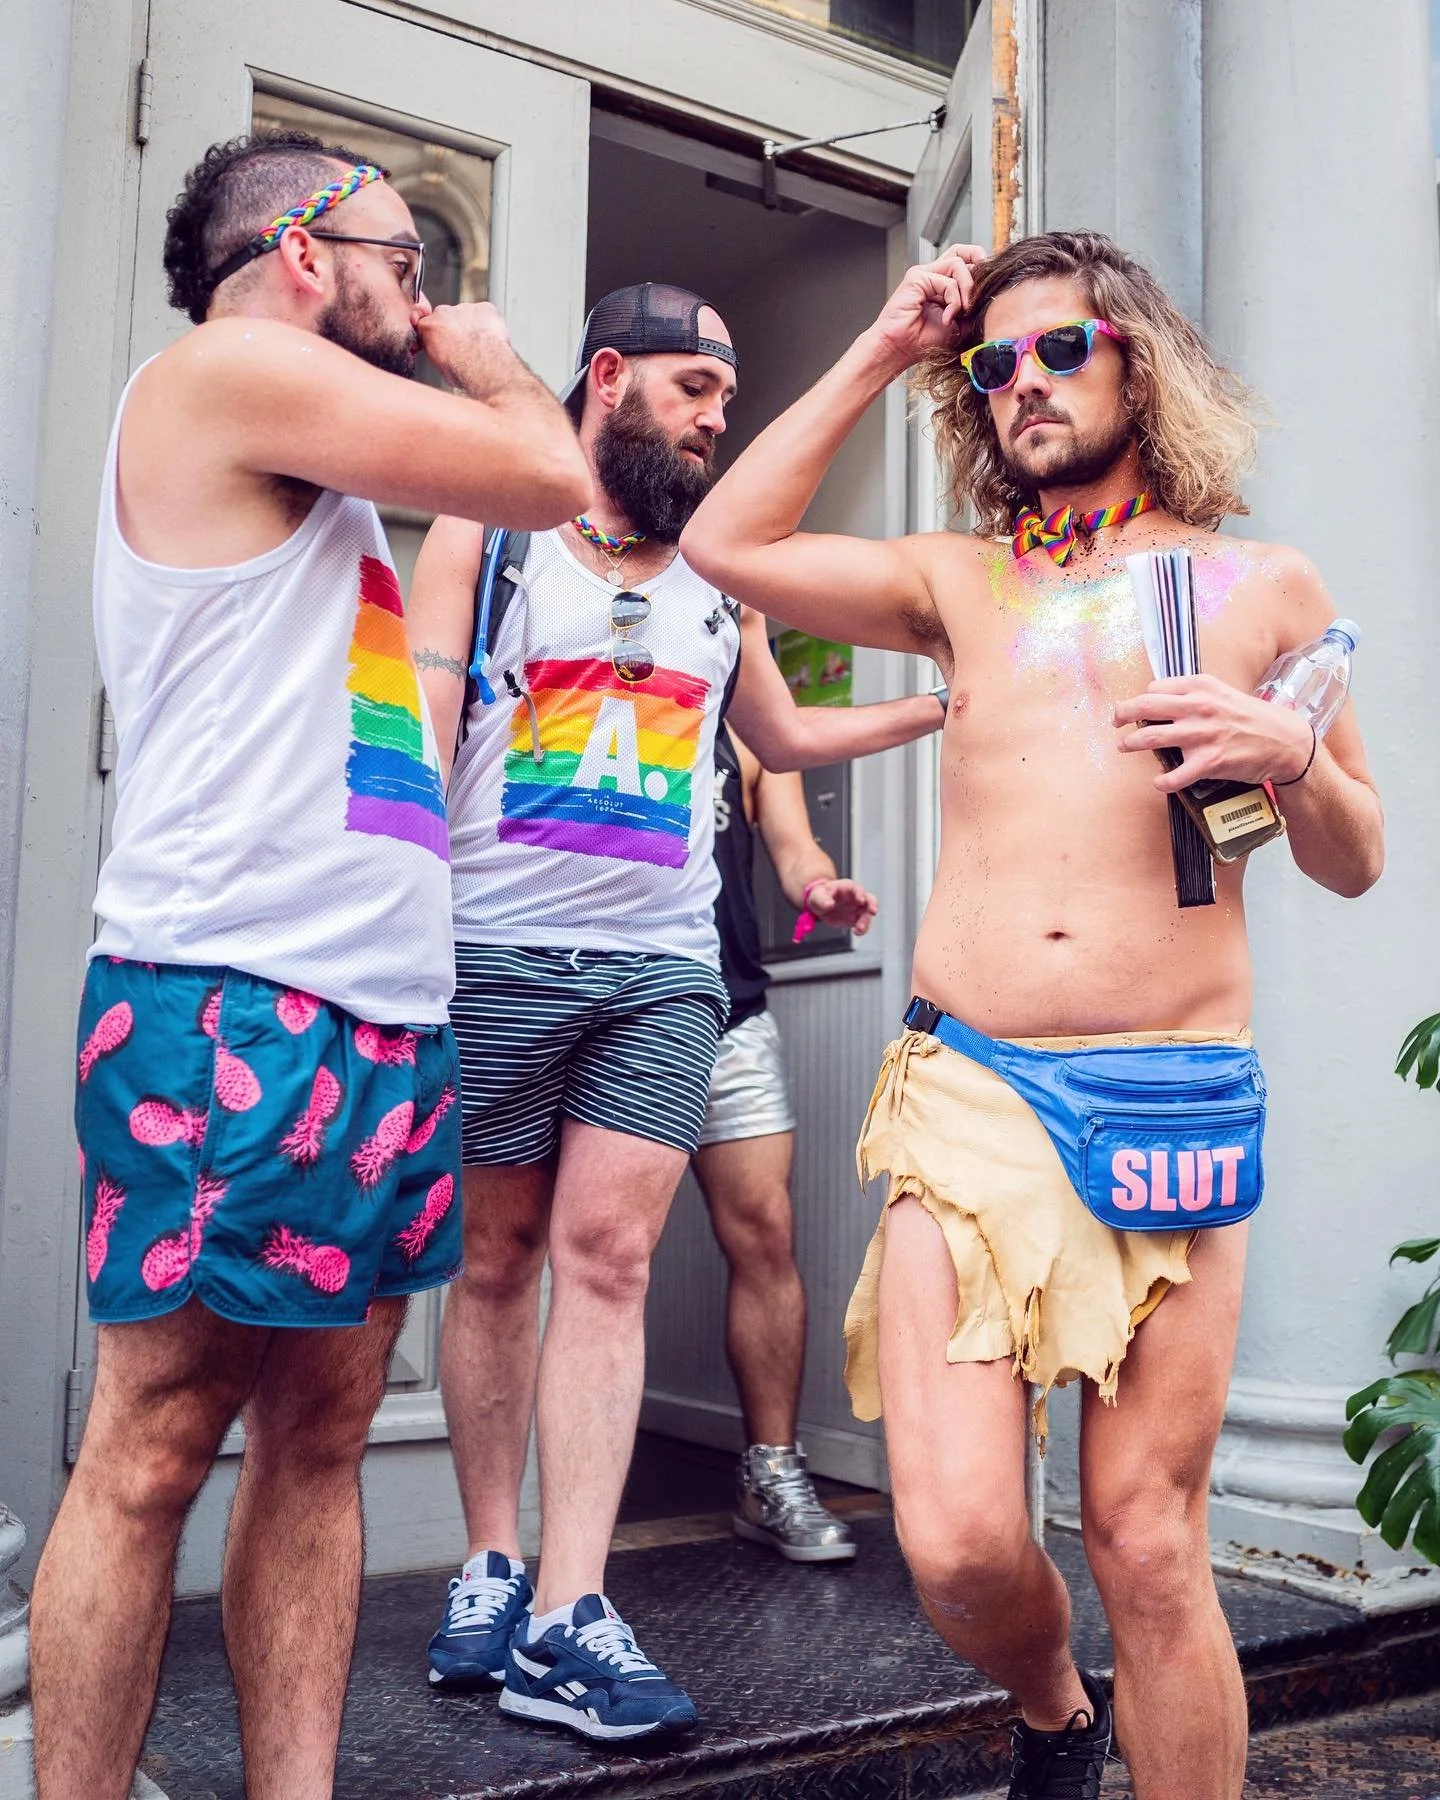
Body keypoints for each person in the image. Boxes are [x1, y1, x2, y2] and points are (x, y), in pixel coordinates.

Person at [681, 231, 1383, 1800]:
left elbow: (1356, 859)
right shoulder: (960, 584)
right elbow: (729, 541)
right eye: (993, 366)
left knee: (1148, 1538)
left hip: (1172, 1099)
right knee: (958, 1540)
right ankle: (1058, 1715)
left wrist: (1290, 751)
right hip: (971, 1087)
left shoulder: (1260, 585)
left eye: (1061, 349)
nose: (1025, 385)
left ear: (1137, 356)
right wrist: (884, 344)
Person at [28, 130, 589, 1800]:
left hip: (379, 1013)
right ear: (297, 250)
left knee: (324, 1438)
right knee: (151, 1449)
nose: (424, 301)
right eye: (402, 261)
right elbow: (554, 479)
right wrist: (493, 373)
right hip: (227, 1001)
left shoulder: (319, 472)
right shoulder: (223, 369)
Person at [406, 283, 941, 1739]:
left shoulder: (721, 582)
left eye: (726, 393)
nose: (718, 419)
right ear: (606, 379)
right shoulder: (492, 533)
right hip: (495, 956)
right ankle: (489, 1563)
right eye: (695, 389)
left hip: (662, 976)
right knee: (502, 1262)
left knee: (612, 1261)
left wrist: (941, 703)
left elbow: (778, 736)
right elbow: (416, 725)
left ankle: (574, 1607)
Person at [701, 720, 891, 1563]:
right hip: (599, 1011)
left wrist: (818, 890)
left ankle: (769, 1475)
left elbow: (793, 847)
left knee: (766, 1235)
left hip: (728, 1019)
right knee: (597, 1257)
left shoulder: (744, 730)